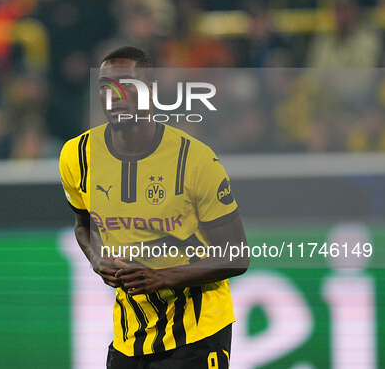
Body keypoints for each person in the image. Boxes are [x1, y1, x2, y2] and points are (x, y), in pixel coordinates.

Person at [58, 47, 249, 368]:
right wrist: (96, 259)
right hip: (130, 335)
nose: (114, 96)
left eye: (127, 85)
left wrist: (163, 277)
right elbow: (82, 223)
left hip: (197, 332)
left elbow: (236, 255)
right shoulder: (77, 156)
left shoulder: (195, 160)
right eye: (106, 87)